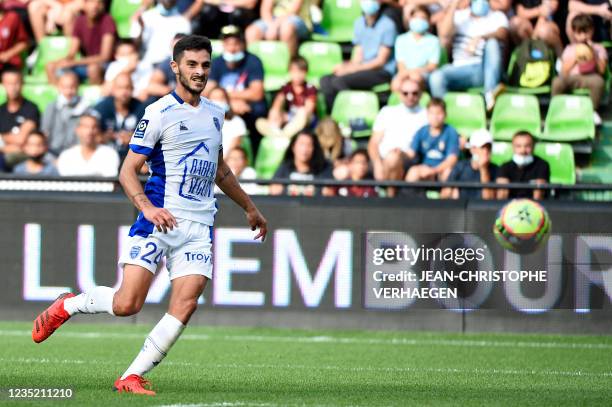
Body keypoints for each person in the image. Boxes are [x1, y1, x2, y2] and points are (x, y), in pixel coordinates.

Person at [31, 35, 268, 396]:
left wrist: (250, 207)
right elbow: (128, 171)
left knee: (186, 304)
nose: (199, 71)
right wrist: (148, 207)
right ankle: (70, 304)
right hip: (159, 218)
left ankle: (131, 376)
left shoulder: (217, 113)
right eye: (191, 64)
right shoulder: (158, 113)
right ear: (175, 67)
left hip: (199, 224)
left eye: (205, 64)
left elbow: (220, 170)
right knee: (127, 304)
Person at [429, 0, 509, 111]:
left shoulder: (497, 16)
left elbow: (503, 33)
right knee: (436, 77)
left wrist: (481, 37)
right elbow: (444, 34)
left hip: (484, 70)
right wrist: (454, 5)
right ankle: (441, 113)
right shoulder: (461, 16)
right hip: (459, 69)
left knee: (492, 43)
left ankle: (490, 96)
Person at [319, 0, 397, 113]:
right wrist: (347, 67)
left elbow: (380, 61)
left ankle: (351, 112)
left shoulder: (388, 25)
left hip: (381, 72)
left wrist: (354, 69)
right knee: (325, 80)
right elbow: (358, 53)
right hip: (362, 68)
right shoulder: (359, 23)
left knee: (338, 81)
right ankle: (333, 114)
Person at [204, 25, 266, 153]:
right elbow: (207, 92)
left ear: (243, 44)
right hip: (223, 106)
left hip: (246, 108)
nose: (232, 49)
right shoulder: (216, 62)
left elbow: (257, 93)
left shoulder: (253, 61)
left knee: (259, 110)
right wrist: (230, 103)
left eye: (236, 44)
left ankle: (254, 151)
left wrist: (226, 97)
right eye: (228, 44)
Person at [367, 77, 428, 197]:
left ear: (421, 94)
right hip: (382, 160)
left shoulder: (426, 115)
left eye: (414, 93)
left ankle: (390, 197)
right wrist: (377, 164)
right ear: (399, 94)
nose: (410, 96)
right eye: (405, 93)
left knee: (393, 157)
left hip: (409, 159)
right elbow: (373, 143)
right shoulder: (387, 112)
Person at [46, 0, 116, 85]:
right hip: (85, 64)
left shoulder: (107, 20)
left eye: (98, 2)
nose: (94, 6)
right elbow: (72, 52)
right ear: (84, 4)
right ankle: (60, 95)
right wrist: (63, 61)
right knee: (50, 66)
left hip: (104, 65)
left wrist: (75, 62)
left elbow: (105, 56)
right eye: (91, 2)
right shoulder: (79, 21)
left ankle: (94, 95)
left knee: (93, 69)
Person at [552, 14, 607, 120]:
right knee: (557, 82)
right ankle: (556, 110)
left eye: (586, 32)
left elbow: (601, 70)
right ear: (574, 33)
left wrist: (593, 53)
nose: (583, 36)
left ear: (592, 31)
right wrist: (575, 58)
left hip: (590, 77)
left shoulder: (598, 48)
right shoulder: (569, 49)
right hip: (572, 77)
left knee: (599, 82)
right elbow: (563, 71)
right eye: (579, 32)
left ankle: (592, 111)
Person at [255, 56, 316, 139]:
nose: (297, 75)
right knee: (267, 117)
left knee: (302, 112)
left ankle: (283, 136)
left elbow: (309, 109)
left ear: (306, 72)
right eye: (294, 72)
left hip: (306, 119)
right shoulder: (286, 87)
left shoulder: (310, 88)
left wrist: (296, 117)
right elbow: (278, 102)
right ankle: (275, 130)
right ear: (289, 71)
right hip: (290, 117)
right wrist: (275, 113)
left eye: (301, 72)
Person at [404, 98, 460, 183]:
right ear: (427, 114)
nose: (435, 117)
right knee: (413, 172)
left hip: (442, 169)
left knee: (448, 173)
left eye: (439, 113)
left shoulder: (451, 132)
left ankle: (445, 196)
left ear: (445, 114)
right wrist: (399, 155)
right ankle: (407, 195)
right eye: (432, 113)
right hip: (424, 168)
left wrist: (434, 170)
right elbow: (411, 153)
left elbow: (452, 159)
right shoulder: (422, 131)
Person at [94, 73, 146, 162]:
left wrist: (133, 139)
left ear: (133, 89)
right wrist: (106, 137)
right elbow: (93, 136)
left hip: (132, 158)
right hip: (105, 158)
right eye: (120, 88)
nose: (124, 92)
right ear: (113, 89)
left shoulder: (142, 109)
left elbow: (149, 139)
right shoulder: (101, 108)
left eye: (127, 88)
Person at [131, 0, 200, 66]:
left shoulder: (183, 22)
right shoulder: (143, 18)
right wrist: (141, 30)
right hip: (145, 65)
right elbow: (133, 47)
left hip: (169, 67)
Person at [392, 5, 441, 92]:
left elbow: (432, 66)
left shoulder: (434, 41)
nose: (419, 20)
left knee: (415, 79)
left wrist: (415, 72)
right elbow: (401, 65)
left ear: (429, 21)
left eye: (423, 18)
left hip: (424, 74)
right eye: (415, 17)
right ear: (410, 19)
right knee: (396, 84)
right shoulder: (401, 39)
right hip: (405, 73)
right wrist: (407, 74)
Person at [270, 131, 334, 196]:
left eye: (309, 145)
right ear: (293, 147)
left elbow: (329, 194)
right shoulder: (285, 167)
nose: (305, 149)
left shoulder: (324, 168)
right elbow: (274, 191)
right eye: (301, 144)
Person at [41, 71, 90, 156]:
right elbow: (45, 131)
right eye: (64, 87)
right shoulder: (51, 107)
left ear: (78, 87)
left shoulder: (85, 107)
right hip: (52, 151)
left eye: (72, 87)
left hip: (76, 152)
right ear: (58, 87)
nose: (68, 91)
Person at [56, 113, 120, 177]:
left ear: (99, 130)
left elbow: (110, 180)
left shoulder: (110, 154)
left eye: (94, 127)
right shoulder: (66, 156)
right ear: (77, 130)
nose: (90, 131)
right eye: (86, 127)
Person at [441, 128, 497, 199]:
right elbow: (444, 195)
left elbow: (489, 200)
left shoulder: (496, 169)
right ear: (472, 149)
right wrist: (452, 194)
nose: (486, 151)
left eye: (488, 148)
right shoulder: (460, 167)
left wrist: (483, 169)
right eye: (482, 147)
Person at [245, 0, 312, 56]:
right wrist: (271, 26)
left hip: (299, 21)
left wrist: (275, 27)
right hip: (273, 21)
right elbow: (265, 10)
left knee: (286, 29)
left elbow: (293, 12)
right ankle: (253, 64)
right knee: (251, 32)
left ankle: (290, 64)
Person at [496, 130, 549, 200]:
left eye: (527, 146)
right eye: (518, 146)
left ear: (533, 146)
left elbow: (538, 197)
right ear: (513, 147)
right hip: (511, 207)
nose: (523, 150)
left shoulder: (542, 165)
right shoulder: (505, 167)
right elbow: (501, 198)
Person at [0, 68, 39, 157]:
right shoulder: (1, 110)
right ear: (3, 85)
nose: (13, 87)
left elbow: (20, 139)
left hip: (22, 156)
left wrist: (2, 138)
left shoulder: (31, 108)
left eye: (16, 83)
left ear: (22, 84)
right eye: (9, 83)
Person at [208, 86, 247, 157]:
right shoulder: (201, 121)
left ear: (227, 101)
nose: (218, 101)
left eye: (221, 98)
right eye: (214, 98)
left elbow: (233, 150)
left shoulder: (237, 122)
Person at [0, 1, 28, 72]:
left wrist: (7, 54)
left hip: (7, 63)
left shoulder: (12, 17)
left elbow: (24, 43)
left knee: (11, 78)